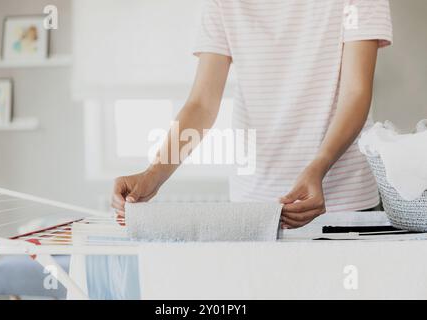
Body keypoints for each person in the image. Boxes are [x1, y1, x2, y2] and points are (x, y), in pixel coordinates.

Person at [112, 0, 393, 229]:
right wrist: (153, 174)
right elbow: (202, 104)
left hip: (344, 201)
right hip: (255, 206)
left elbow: (355, 93)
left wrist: (318, 166)